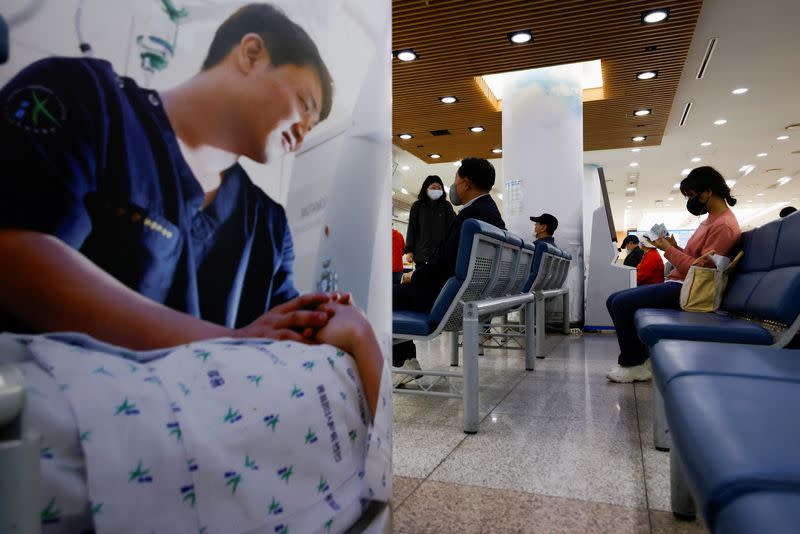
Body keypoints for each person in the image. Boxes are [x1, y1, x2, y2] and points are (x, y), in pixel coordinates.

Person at [0, 4, 389, 532]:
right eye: (304, 102)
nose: (304, 128)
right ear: (250, 53)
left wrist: (342, 328)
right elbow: (17, 255)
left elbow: (285, 343)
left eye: (315, 122)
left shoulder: (265, 224)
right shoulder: (85, 97)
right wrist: (224, 342)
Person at [605, 166, 741, 383]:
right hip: (681, 282)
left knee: (620, 303)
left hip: (690, 290)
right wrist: (674, 247)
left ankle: (632, 363)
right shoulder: (710, 220)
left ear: (708, 191)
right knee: (614, 299)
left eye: (693, 195)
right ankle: (642, 359)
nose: (692, 200)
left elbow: (702, 273)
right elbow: (694, 259)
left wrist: (668, 249)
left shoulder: (724, 225)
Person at [393, 158, 505, 384]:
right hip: (468, 295)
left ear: (466, 183)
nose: (452, 187)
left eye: (455, 181)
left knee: (383, 296)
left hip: (446, 295)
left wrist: (414, 275)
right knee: (397, 290)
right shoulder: (492, 215)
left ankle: (404, 362)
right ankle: (406, 361)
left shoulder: (470, 217)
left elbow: (444, 262)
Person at [403, 175, 456, 266]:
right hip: (422, 257)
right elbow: (412, 228)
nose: (436, 190)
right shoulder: (417, 206)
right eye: (433, 187)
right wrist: (409, 250)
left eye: (439, 188)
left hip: (442, 258)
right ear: (426, 189)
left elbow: (452, 229)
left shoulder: (446, 206)